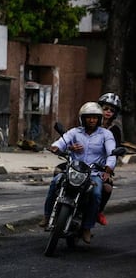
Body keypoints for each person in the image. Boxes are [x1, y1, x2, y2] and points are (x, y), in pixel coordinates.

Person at [39, 102, 117, 244]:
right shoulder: (75, 132)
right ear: (83, 118)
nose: (92, 120)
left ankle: (87, 227)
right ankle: (47, 215)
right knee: (55, 181)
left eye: (95, 118)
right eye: (89, 117)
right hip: (74, 170)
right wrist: (60, 147)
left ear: (99, 119)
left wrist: (108, 167)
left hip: (93, 173)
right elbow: (61, 142)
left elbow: (112, 153)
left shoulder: (106, 134)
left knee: (96, 193)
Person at [97, 93, 122, 225]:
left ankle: (98, 211)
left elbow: (115, 152)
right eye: (105, 108)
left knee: (107, 187)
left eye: (111, 110)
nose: (108, 112)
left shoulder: (114, 130)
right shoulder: (89, 122)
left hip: (101, 165)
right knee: (58, 173)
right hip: (82, 161)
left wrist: (109, 169)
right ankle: (51, 212)